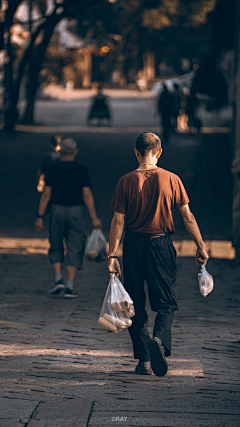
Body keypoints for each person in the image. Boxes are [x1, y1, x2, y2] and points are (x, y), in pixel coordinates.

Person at [107, 132, 209, 377]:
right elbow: (188, 216)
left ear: (136, 152)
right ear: (159, 152)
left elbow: (118, 221)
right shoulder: (172, 179)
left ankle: (143, 361)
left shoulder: (125, 180)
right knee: (166, 303)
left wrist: (112, 255)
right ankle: (159, 340)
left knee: (133, 304)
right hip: (160, 244)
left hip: (133, 246)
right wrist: (201, 245)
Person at [34, 138, 102, 298]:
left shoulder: (53, 169)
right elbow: (86, 194)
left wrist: (40, 216)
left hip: (56, 210)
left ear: (60, 151)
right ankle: (70, 286)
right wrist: (94, 217)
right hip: (75, 211)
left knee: (56, 242)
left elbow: (46, 194)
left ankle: (58, 279)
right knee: (75, 244)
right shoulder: (81, 170)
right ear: (76, 151)